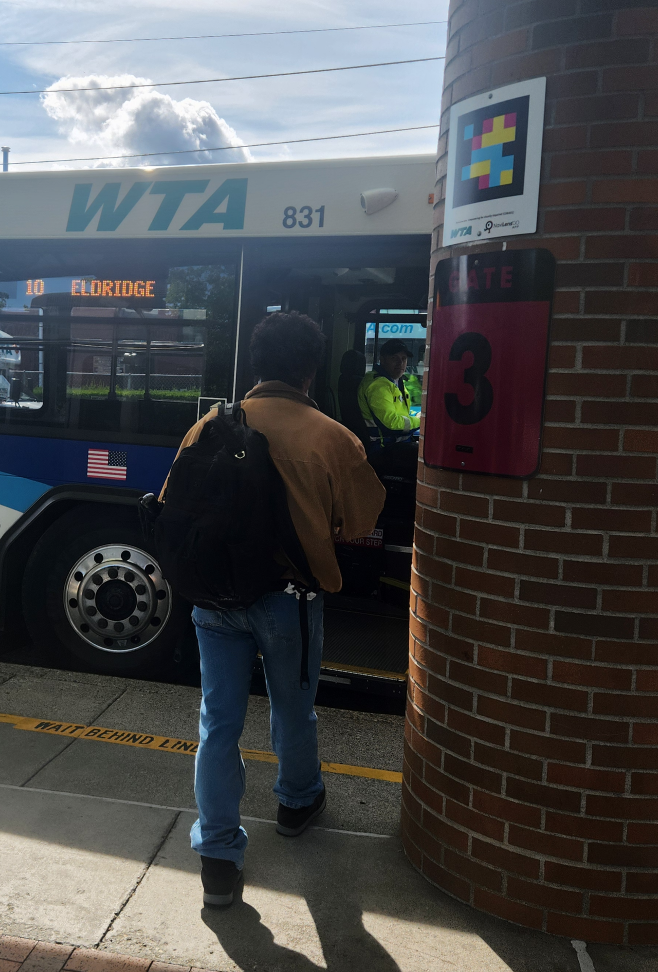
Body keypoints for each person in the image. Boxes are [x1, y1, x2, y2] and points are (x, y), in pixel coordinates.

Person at [166, 311, 386, 907]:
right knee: (293, 710)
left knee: (218, 724)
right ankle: (296, 800)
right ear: (310, 370)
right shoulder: (332, 437)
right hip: (287, 604)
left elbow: (172, 506)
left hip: (213, 599)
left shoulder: (207, 425)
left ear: (256, 364)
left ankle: (217, 856)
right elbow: (361, 521)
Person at [357, 339, 420, 478]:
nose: (401, 363)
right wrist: (421, 421)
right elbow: (391, 425)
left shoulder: (395, 382)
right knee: (426, 459)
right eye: (394, 358)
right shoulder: (378, 386)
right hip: (382, 448)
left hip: (396, 443)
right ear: (382, 360)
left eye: (404, 359)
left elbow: (400, 415)